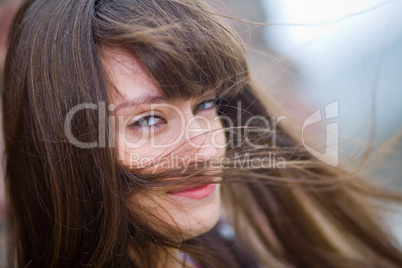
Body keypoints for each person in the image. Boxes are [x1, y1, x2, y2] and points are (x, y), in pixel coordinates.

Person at [2, 0, 402, 267]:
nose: (205, 149)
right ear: (58, 149)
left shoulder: (229, 247)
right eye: (147, 121)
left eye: (206, 105)